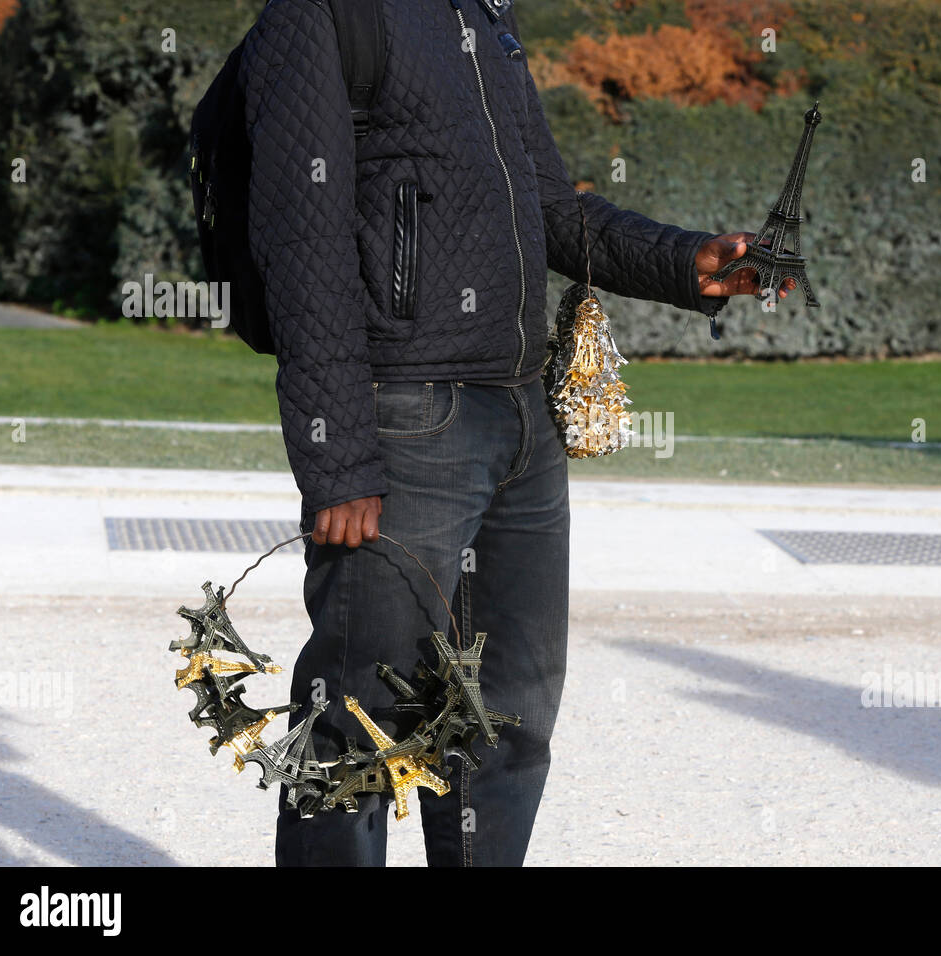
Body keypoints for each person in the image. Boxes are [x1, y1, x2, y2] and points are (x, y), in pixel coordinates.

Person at [241, 0, 796, 866]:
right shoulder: (321, 15)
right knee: (355, 720)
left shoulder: (483, 17)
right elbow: (298, 244)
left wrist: (684, 261)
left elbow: (544, 203)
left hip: (520, 419)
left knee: (509, 714)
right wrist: (336, 456)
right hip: (405, 419)